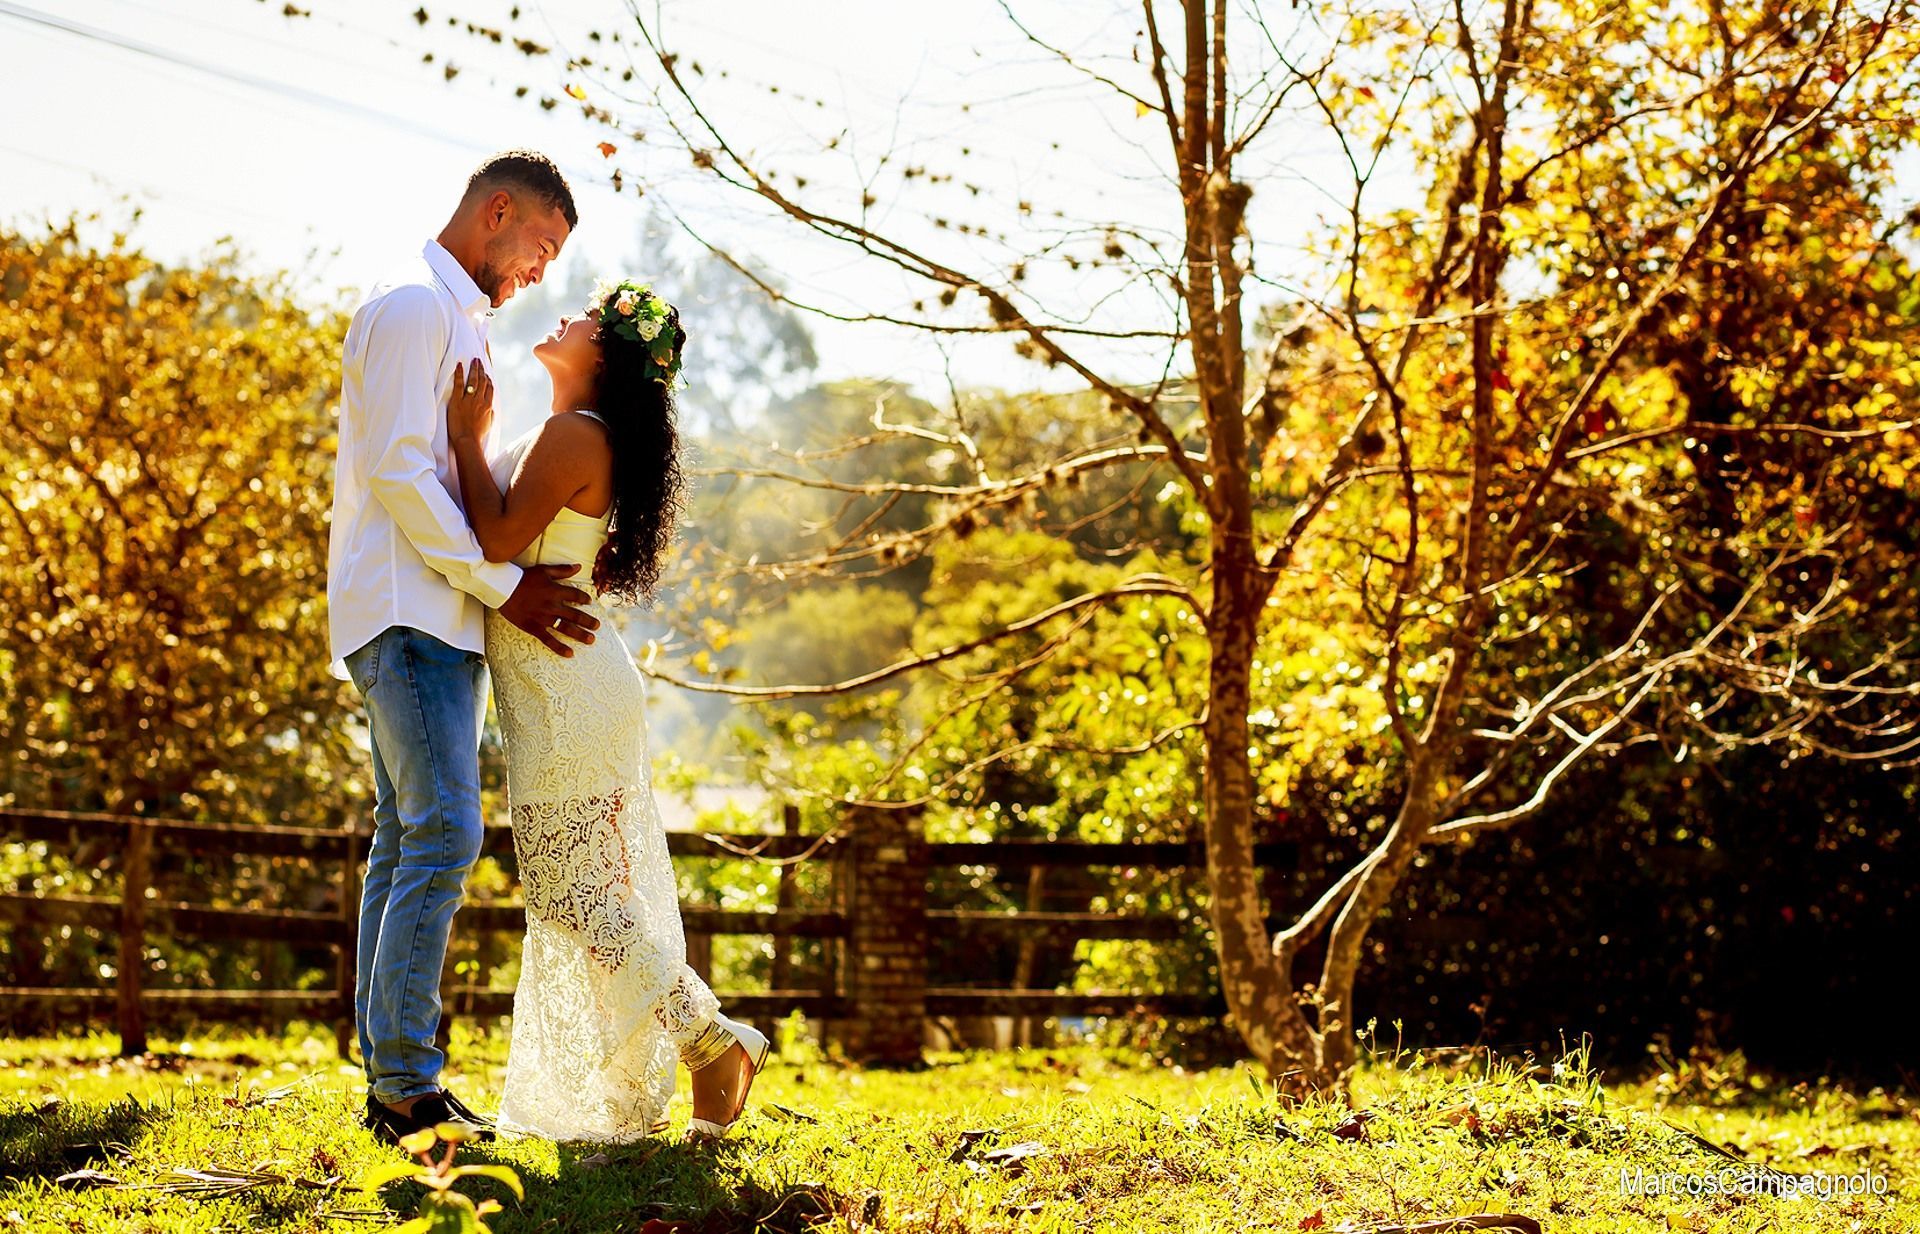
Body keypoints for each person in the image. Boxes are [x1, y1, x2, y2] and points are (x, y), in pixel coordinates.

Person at [444, 277, 768, 1143]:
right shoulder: (561, 434)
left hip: (569, 690)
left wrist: (464, 441)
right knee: (587, 895)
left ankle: (713, 1041)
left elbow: (495, 541)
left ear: (607, 355)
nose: (564, 315)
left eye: (584, 316)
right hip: (563, 682)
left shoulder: (575, 435)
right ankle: (647, 1082)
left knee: (572, 892)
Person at [327, 150, 598, 1146]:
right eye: (543, 245)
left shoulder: (458, 323)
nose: (542, 270)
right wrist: (506, 587)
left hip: (438, 615)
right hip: (409, 611)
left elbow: (446, 473)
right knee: (444, 834)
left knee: (409, 839)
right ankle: (405, 1086)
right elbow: (400, 473)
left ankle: (396, 1081)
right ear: (496, 213)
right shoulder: (412, 309)